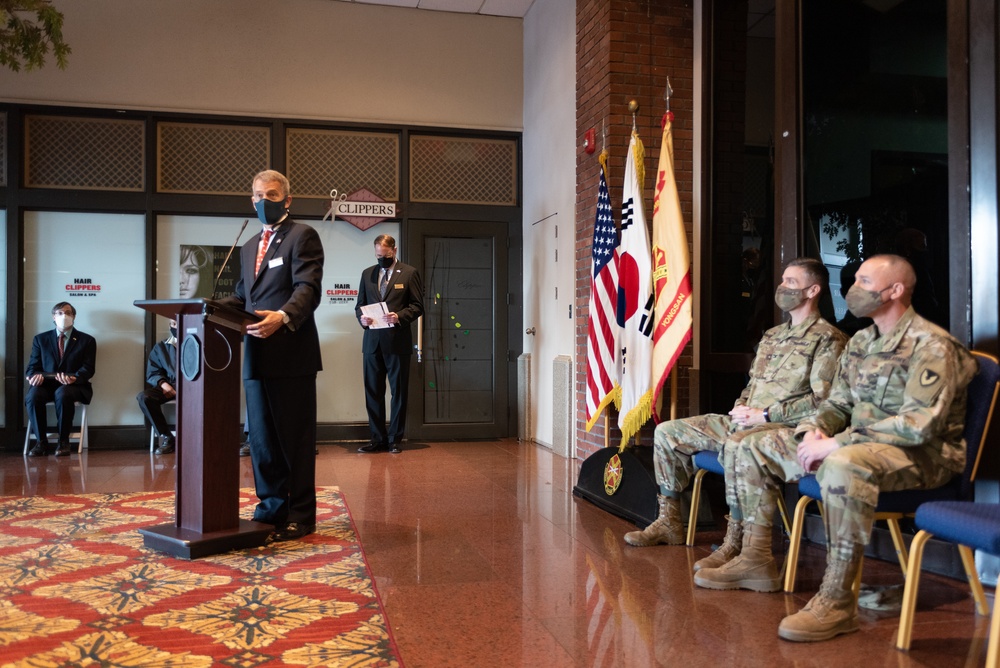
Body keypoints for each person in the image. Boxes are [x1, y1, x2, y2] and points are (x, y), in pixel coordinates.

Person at [704, 254, 976, 643]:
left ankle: (837, 599)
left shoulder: (931, 345)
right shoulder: (862, 341)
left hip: (923, 456)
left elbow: (918, 425)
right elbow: (837, 404)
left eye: (864, 282)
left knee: (843, 464)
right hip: (863, 445)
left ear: (895, 290)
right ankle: (755, 559)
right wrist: (815, 431)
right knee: (754, 445)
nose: (853, 290)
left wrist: (837, 443)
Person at [625, 258, 848, 581]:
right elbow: (752, 385)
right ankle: (670, 520)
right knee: (668, 432)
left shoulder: (828, 339)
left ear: (813, 290)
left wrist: (766, 414)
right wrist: (741, 407)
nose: (782, 288)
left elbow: (821, 400)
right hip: (746, 419)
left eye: (791, 282)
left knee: (738, 445)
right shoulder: (772, 335)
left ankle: (736, 540)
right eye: (782, 281)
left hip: (782, 426)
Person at [218, 169, 324, 543]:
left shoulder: (302, 236)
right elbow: (243, 298)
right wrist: (203, 310)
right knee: (261, 439)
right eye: (258, 195)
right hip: (255, 358)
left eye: (272, 194)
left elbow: (308, 289)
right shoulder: (248, 247)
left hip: (291, 355)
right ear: (251, 200)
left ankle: (300, 514)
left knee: (293, 438)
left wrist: (283, 316)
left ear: (287, 199)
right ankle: (270, 509)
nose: (264, 200)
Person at [355, 234, 424, 454]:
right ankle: (377, 439)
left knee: (398, 393)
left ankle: (395, 439)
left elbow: (417, 306)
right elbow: (360, 305)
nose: (380, 259)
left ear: (393, 250)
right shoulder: (367, 273)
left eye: (384, 255)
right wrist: (362, 319)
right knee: (373, 392)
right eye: (377, 255)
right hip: (372, 343)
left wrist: (399, 317)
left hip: (397, 343)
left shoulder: (409, 272)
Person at [25, 302, 97, 457]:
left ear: (74, 316)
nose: (64, 316)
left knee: (63, 394)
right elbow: (32, 366)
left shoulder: (87, 340)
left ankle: (63, 442)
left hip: (73, 386)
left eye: (68, 312)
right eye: (59, 313)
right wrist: (32, 377)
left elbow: (88, 369)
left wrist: (74, 378)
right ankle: (41, 442)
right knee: (33, 396)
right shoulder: (40, 339)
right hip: (46, 385)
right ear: (53, 316)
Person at [136, 319, 178, 455]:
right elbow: (153, 372)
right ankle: (167, 437)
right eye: (173, 324)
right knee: (144, 397)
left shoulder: (199, 343)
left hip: (193, 387)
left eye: (179, 322)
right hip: (168, 385)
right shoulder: (161, 347)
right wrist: (163, 384)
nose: (176, 326)